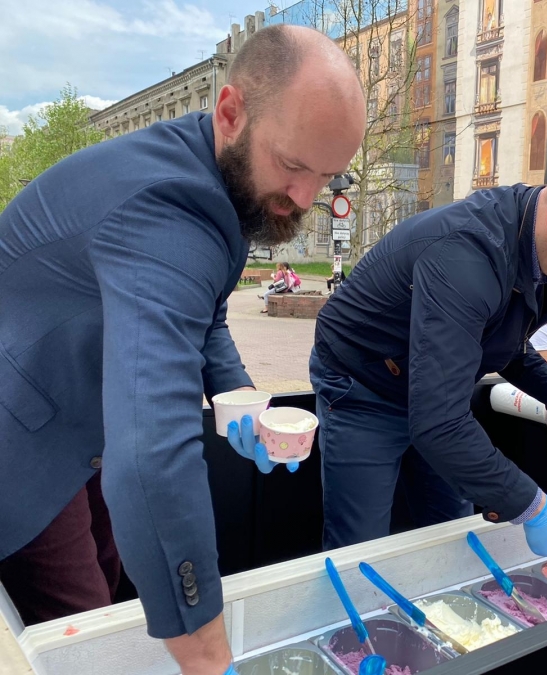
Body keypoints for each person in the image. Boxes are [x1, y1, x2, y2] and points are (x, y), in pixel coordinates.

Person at [0, 25, 365, 675]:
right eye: (292, 165)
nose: (306, 199)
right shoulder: (165, 211)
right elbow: (151, 459)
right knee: (84, 625)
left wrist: (239, 399)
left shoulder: (216, 175)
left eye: (326, 176)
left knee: (114, 574)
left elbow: (205, 315)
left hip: (80, 413)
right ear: (230, 112)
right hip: (21, 432)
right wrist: (207, 654)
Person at [311, 148, 547, 559]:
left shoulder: (543, 257)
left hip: (435, 393)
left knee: (454, 531)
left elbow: (501, 342)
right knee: (359, 548)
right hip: (363, 387)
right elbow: (440, 423)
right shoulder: (465, 255)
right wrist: (532, 506)